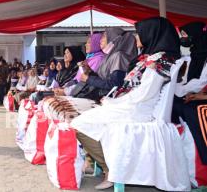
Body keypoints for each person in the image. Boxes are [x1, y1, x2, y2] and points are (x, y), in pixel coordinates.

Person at [71, 17, 181, 190]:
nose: (136, 38)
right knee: (82, 121)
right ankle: (109, 168)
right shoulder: (148, 58)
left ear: (151, 34)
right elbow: (130, 88)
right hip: (131, 105)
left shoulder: (159, 61)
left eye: (139, 34)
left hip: (139, 110)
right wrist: (114, 100)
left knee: (80, 123)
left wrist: (115, 103)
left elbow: (144, 94)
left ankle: (110, 170)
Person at [172, 22, 207, 165]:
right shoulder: (195, 55)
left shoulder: (203, 56)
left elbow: (200, 82)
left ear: (195, 36)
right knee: (174, 104)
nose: (183, 38)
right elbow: (188, 81)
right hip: (196, 95)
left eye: (185, 35)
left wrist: (179, 91)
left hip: (200, 97)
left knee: (188, 108)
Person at [72, 28, 137, 100]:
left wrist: (88, 79)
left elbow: (114, 84)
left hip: (109, 99)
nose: (101, 40)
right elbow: (103, 77)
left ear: (113, 39)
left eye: (104, 36)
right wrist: (89, 71)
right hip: (103, 97)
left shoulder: (119, 56)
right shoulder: (108, 56)